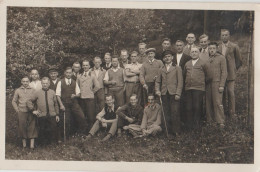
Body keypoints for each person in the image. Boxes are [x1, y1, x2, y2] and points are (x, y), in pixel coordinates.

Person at [155, 50, 183, 137]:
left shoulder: (177, 68)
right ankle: (167, 131)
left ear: (172, 57)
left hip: (173, 93)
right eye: (165, 57)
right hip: (164, 93)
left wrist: (178, 93)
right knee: (165, 112)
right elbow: (158, 82)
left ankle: (176, 131)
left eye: (169, 56)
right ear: (163, 59)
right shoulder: (161, 69)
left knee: (175, 112)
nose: (167, 58)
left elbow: (180, 82)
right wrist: (157, 90)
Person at [56, 67, 87, 138]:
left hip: (74, 103)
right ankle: (66, 138)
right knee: (66, 121)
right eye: (67, 72)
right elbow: (57, 95)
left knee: (81, 117)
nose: (68, 74)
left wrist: (75, 96)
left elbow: (79, 94)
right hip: (65, 104)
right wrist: (61, 105)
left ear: (72, 73)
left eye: (70, 73)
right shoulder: (60, 82)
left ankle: (80, 134)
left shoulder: (74, 82)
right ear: (64, 73)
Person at [27, 77, 60, 144]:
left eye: (46, 83)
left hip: (52, 114)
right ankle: (43, 145)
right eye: (43, 83)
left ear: (49, 84)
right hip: (42, 115)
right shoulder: (37, 92)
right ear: (41, 84)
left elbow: (56, 104)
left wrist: (57, 114)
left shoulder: (52, 92)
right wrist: (33, 110)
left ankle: (52, 143)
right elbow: (29, 101)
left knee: (53, 129)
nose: (45, 85)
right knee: (42, 129)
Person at [183, 47, 210, 130]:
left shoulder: (203, 63)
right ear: (190, 54)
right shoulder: (187, 63)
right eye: (192, 52)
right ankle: (189, 126)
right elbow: (184, 75)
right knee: (188, 107)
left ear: (199, 53)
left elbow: (208, 76)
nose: (194, 53)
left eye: (196, 52)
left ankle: (197, 126)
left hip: (198, 88)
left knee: (197, 107)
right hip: (188, 88)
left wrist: (201, 83)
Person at [218, 29, 242, 118]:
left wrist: (234, 69)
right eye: (222, 35)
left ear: (229, 36)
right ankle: (223, 113)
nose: (224, 37)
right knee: (222, 93)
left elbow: (239, 60)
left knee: (230, 92)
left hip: (231, 74)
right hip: (221, 75)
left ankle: (232, 113)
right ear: (220, 36)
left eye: (226, 35)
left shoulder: (234, 46)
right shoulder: (218, 47)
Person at [12, 76, 37, 149]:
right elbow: (13, 101)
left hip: (31, 112)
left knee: (32, 127)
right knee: (22, 127)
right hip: (22, 111)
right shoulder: (18, 90)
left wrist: (34, 109)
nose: (25, 83)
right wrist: (17, 109)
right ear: (21, 82)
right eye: (24, 81)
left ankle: (32, 146)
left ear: (29, 82)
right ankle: (24, 145)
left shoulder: (33, 90)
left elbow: (36, 100)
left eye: (27, 81)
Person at [206, 42, 227, 127]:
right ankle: (210, 120)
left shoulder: (221, 58)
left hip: (217, 83)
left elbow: (224, 72)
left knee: (218, 102)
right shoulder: (207, 59)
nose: (211, 50)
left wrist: (222, 85)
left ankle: (220, 121)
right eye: (210, 48)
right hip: (208, 84)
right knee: (208, 102)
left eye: (213, 48)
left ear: (217, 48)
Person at [77, 60, 100, 129]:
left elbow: (97, 86)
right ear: (82, 66)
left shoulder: (92, 75)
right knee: (83, 115)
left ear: (89, 66)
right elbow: (77, 87)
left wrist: (92, 91)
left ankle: (91, 131)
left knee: (90, 116)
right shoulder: (79, 76)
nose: (85, 67)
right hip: (82, 98)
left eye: (87, 65)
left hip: (90, 98)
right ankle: (84, 131)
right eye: (84, 65)